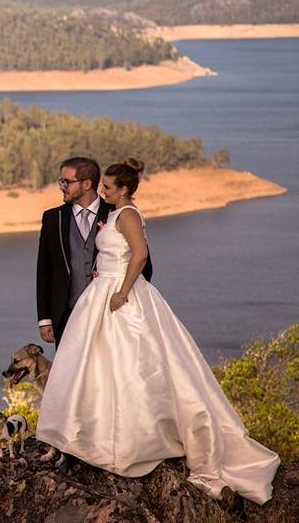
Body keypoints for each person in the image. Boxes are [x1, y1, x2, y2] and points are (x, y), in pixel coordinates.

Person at [36, 158, 280, 505]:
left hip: (119, 298)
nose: (104, 192)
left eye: (108, 187)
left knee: (128, 370)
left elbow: (140, 256)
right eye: (102, 186)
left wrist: (123, 290)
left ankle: (128, 441)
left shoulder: (126, 214)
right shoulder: (83, 215)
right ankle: (84, 440)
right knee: (90, 371)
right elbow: (48, 268)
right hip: (97, 297)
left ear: (121, 189)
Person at [36, 156, 152, 347]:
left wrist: (130, 299)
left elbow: (143, 263)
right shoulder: (52, 218)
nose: (61, 186)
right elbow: (44, 270)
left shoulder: (117, 212)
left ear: (86, 184)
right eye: (61, 181)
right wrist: (45, 318)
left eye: (66, 181)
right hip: (67, 314)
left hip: (110, 313)